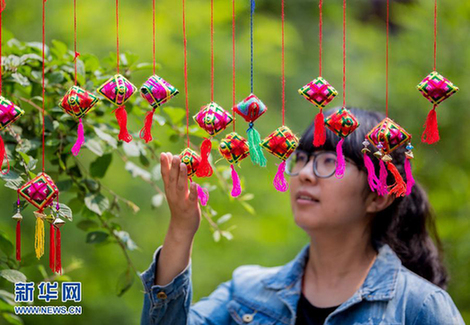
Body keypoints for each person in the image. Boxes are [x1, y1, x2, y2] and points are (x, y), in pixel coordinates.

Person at [139, 108, 465, 325]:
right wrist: (181, 229)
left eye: (328, 161)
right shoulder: (248, 293)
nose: (305, 174)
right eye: (302, 158)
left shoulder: (419, 307)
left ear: (378, 195)